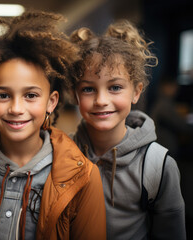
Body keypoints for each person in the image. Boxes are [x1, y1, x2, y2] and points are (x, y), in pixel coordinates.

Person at [0, 11, 106, 240]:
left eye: (30, 95)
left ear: (52, 102)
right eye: (3, 96)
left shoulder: (84, 177)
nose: (16, 108)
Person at [70, 20, 186, 239]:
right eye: (88, 89)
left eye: (115, 87)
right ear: (75, 94)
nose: (101, 100)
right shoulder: (60, 153)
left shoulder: (158, 165)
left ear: (136, 92)